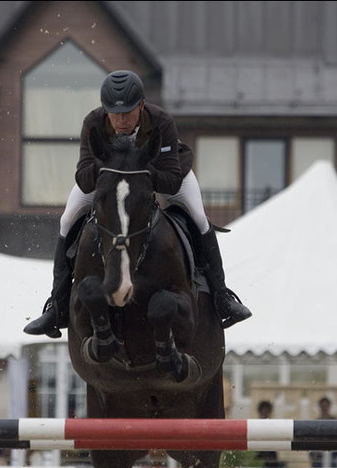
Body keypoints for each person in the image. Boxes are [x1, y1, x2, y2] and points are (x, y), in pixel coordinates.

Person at [23, 69, 252, 338]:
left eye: (128, 112)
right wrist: (111, 172)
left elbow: (171, 179)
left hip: (163, 176)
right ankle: (56, 306)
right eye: (114, 113)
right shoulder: (93, 123)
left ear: (141, 105)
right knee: (67, 219)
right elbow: (85, 180)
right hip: (110, 183)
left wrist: (140, 176)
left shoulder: (161, 122)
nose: (121, 120)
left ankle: (222, 299)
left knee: (199, 218)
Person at [255, 400, 285, 468]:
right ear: (260, 412)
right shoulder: (255, 425)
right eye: (263, 411)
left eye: (267, 411)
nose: (265, 413)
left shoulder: (273, 424)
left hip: (271, 456)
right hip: (259, 454)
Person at [309, 396, 336, 468]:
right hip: (319, 454)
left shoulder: (335, 421)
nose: (324, 408)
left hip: (332, 452)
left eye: (326, 406)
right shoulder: (316, 422)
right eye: (322, 406)